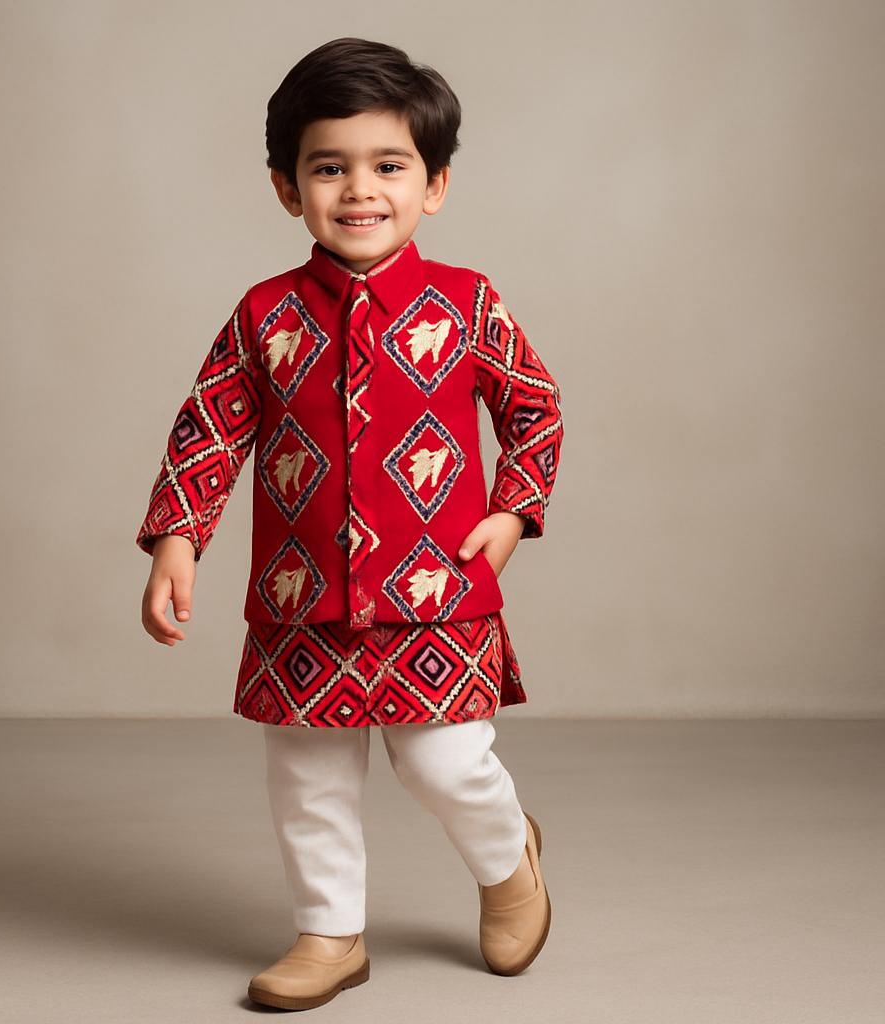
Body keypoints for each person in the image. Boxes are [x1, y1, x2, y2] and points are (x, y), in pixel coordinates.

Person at [136, 37, 564, 1011]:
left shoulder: (468, 305)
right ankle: (329, 931)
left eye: (389, 166)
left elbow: (535, 411)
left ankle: (509, 863)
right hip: (300, 603)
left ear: (434, 185)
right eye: (329, 167)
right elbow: (210, 427)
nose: (360, 189)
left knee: (446, 763)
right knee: (307, 779)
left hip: (436, 595)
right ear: (288, 189)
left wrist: (511, 510)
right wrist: (178, 537)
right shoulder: (264, 315)